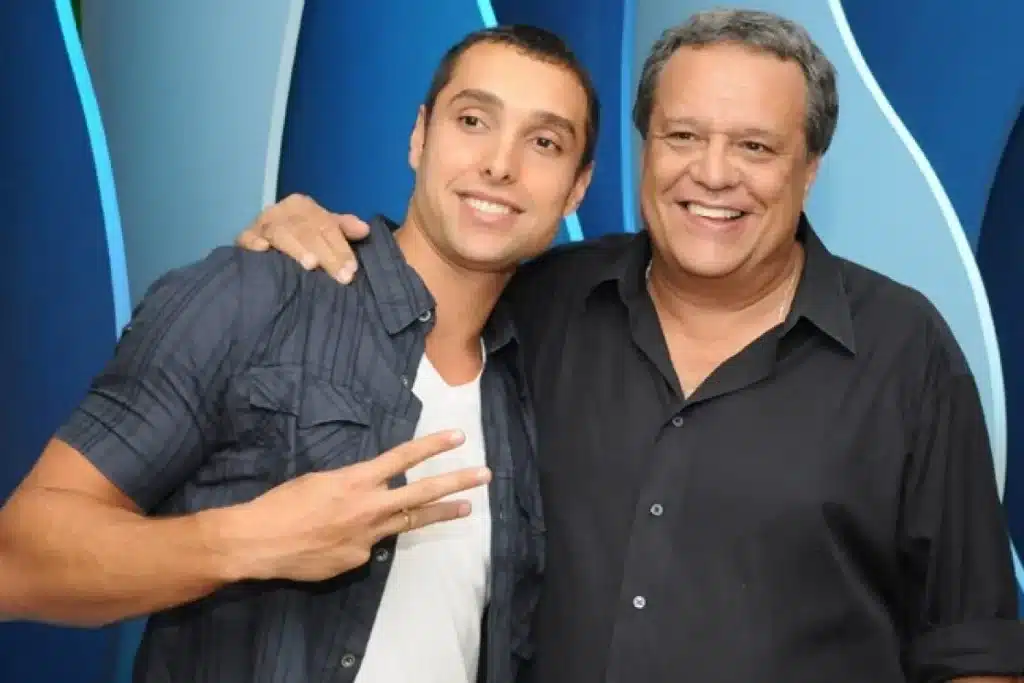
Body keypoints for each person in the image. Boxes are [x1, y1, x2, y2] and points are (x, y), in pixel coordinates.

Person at [235, 9, 1024, 683]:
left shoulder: (904, 350)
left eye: (755, 147)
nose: (713, 175)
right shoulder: (537, 302)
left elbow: (971, 642)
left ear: (809, 170)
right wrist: (307, 231)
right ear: (644, 151)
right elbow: (423, 266)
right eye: (683, 135)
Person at [0, 25, 597, 683]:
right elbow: (18, 559)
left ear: (575, 189)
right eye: (474, 120)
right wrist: (250, 540)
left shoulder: (531, 378)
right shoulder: (258, 294)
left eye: (544, 142)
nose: (500, 163)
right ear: (420, 135)